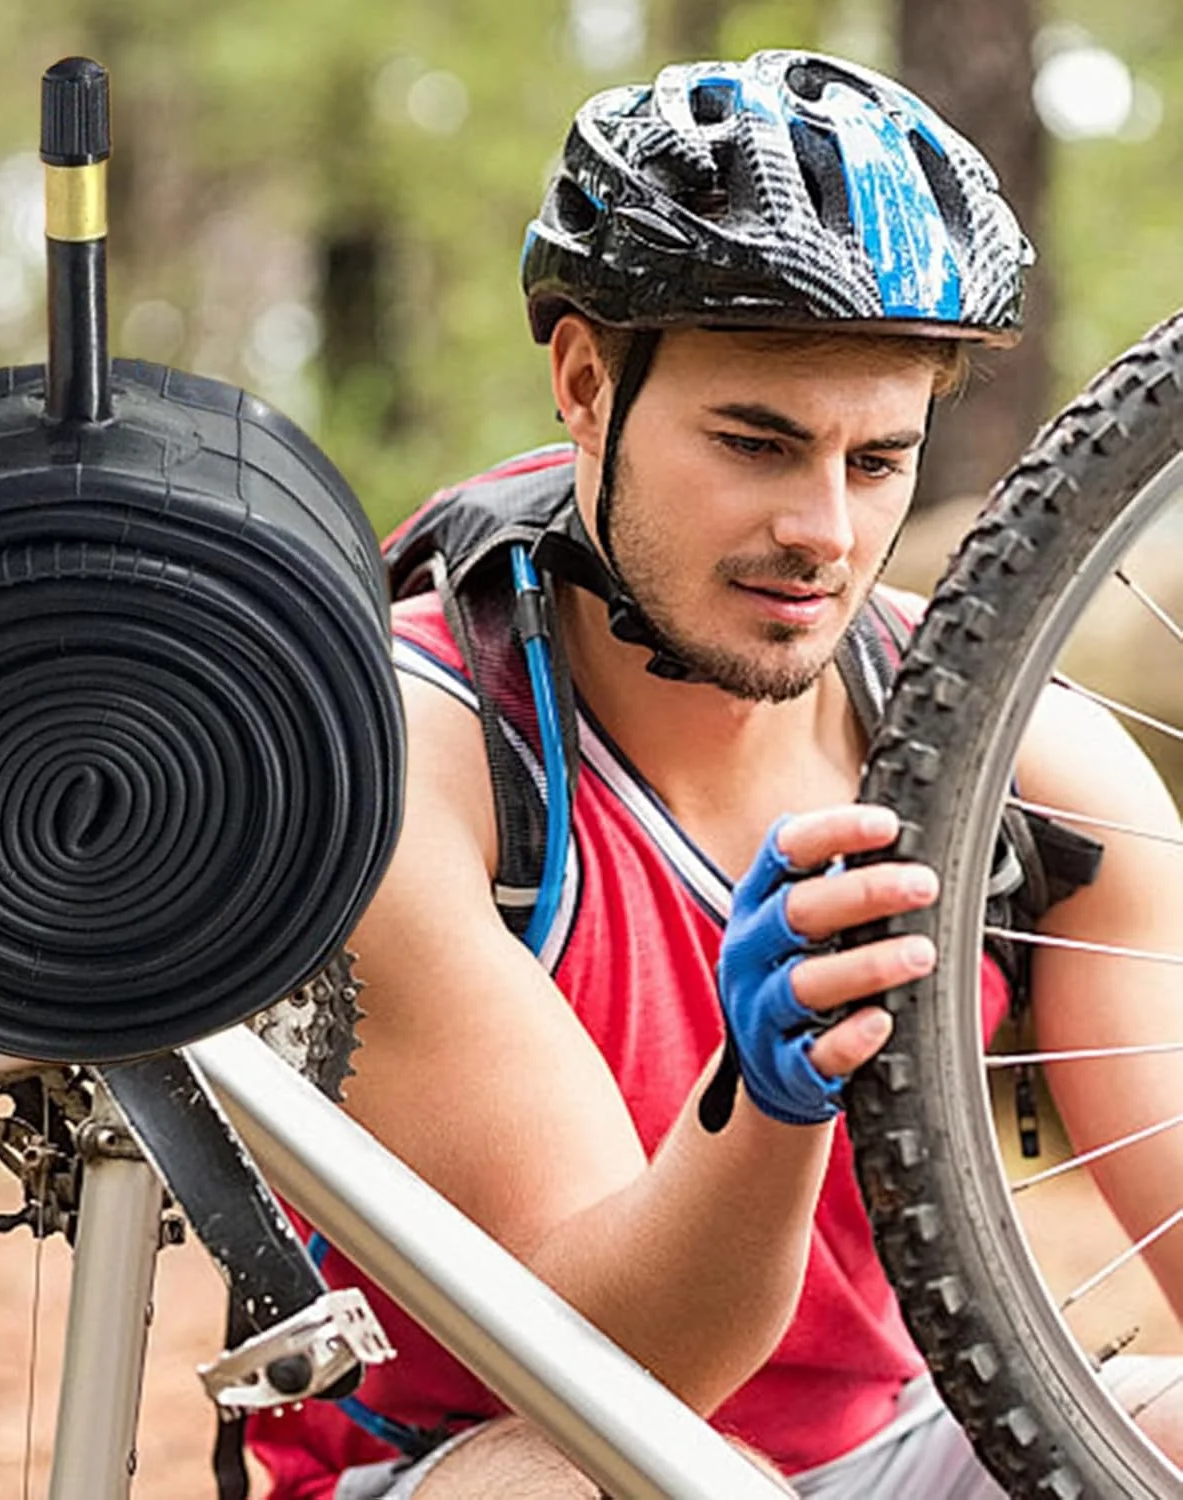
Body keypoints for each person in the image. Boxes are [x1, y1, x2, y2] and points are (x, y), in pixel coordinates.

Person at [246, 48, 1183, 1499]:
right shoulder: (413, 760)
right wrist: (768, 1102)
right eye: (757, 441)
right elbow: (612, 1378)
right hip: (503, 1461)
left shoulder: (1037, 770)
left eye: (878, 462)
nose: (823, 528)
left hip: (881, 1453)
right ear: (583, 380)